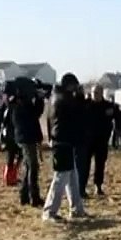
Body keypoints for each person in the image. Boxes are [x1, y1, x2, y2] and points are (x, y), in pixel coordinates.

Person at [42, 75, 89, 222]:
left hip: (63, 141)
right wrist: (81, 98)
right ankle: (49, 212)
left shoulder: (57, 97)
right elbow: (78, 112)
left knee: (72, 177)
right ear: (69, 86)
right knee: (61, 177)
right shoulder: (62, 99)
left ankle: (76, 208)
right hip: (62, 142)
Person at [9, 77, 46, 207]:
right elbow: (35, 114)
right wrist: (40, 99)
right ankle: (33, 197)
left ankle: (24, 195)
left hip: (24, 137)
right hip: (27, 138)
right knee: (33, 167)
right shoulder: (22, 104)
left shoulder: (17, 103)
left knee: (29, 166)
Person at [81, 85, 118, 197]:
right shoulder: (85, 105)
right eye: (93, 92)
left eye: (97, 92)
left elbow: (118, 117)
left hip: (102, 140)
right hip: (87, 141)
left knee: (100, 164)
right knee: (84, 165)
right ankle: (82, 187)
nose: (95, 94)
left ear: (102, 93)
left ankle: (98, 186)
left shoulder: (108, 106)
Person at [0, 93, 21, 186]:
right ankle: (10, 177)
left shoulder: (3, 109)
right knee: (15, 157)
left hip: (8, 136)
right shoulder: (11, 109)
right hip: (12, 136)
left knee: (11, 158)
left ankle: (9, 177)